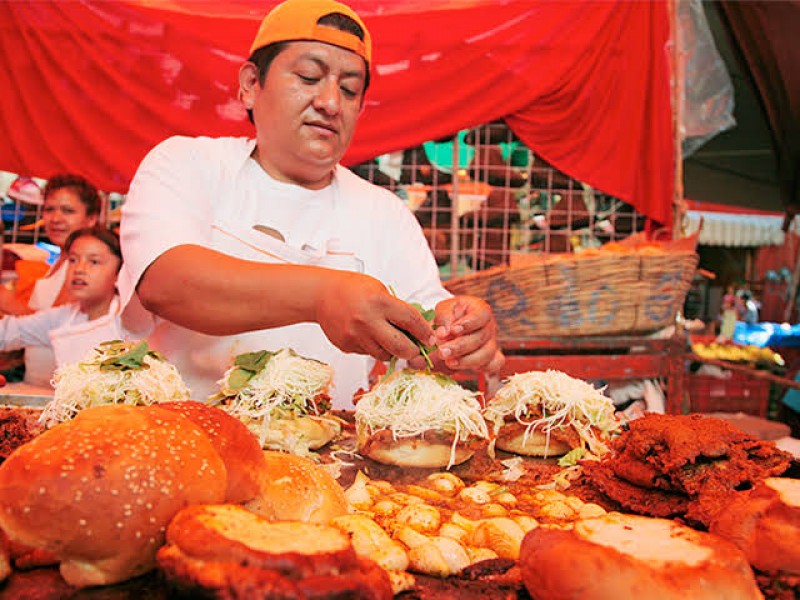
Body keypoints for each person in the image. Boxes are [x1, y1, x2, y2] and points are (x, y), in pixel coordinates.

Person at [119, 0, 503, 408]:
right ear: (251, 84)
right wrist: (324, 296)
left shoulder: (383, 212)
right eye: (308, 76)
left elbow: (427, 336)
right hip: (187, 442)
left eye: (350, 89)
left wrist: (460, 334)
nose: (331, 102)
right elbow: (166, 283)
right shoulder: (188, 163)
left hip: (329, 458)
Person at [0, 174, 101, 385]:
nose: (55, 219)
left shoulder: (84, 268)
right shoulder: (56, 263)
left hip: (61, 392)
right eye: (49, 209)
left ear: (91, 218)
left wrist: (12, 305)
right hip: (36, 385)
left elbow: (63, 327)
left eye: (68, 211)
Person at [0, 226, 130, 375]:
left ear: (119, 273)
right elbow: (9, 332)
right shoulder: (60, 318)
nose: (79, 269)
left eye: (94, 262)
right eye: (73, 260)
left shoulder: (132, 322)